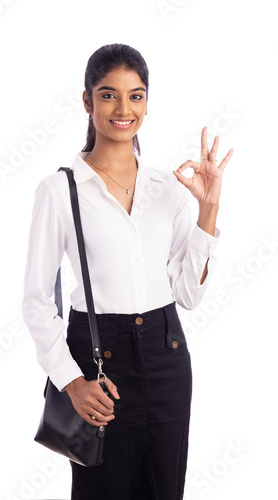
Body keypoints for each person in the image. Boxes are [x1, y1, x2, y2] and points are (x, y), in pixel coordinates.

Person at [21, 43, 234, 500]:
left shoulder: (168, 189)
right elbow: (37, 300)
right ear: (86, 101)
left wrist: (208, 208)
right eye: (108, 95)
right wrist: (71, 380)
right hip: (98, 358)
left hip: (166, 351)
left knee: (164, 487)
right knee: (103, 488)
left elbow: (188, 295)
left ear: (146, 102)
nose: (123, 109)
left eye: (136, 96)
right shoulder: (60, 191)